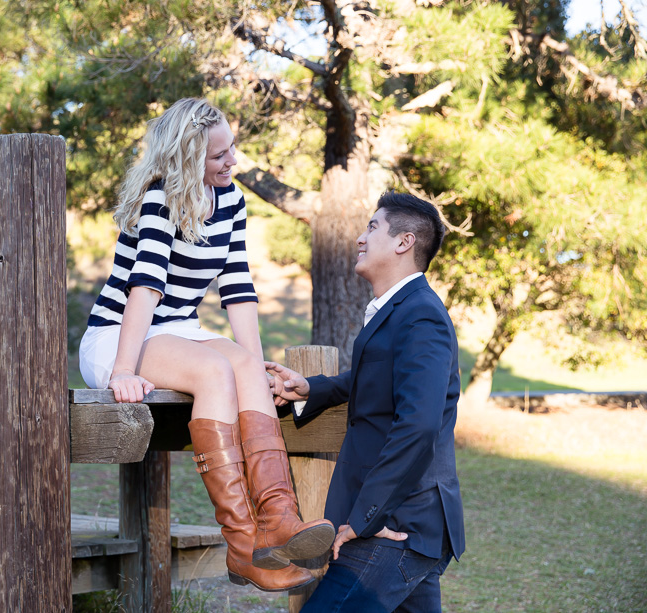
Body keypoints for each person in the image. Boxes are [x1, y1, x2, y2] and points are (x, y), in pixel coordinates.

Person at [78, 97, 335, 592]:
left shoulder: (231, 200)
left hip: (177, 331)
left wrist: (259, 368)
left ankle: (278, 519)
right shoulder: (159, 199)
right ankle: (242, 546)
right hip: (120, 337)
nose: (232, 160)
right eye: (219, 155)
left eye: (232, 148)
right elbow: (145, 290)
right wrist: (123, 371)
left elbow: (237, 286)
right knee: (215, 372)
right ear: (187, 158)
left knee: (242, 364)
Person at [267, 192, 466, 612]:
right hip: (402, 527)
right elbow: (376, 381)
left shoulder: (421, 315)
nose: (360, 238)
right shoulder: (399, 310)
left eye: (372, 227)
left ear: (404, 242)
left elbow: (419, 424)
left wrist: (363, 519)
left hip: (396, 526)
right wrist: (312, 389)